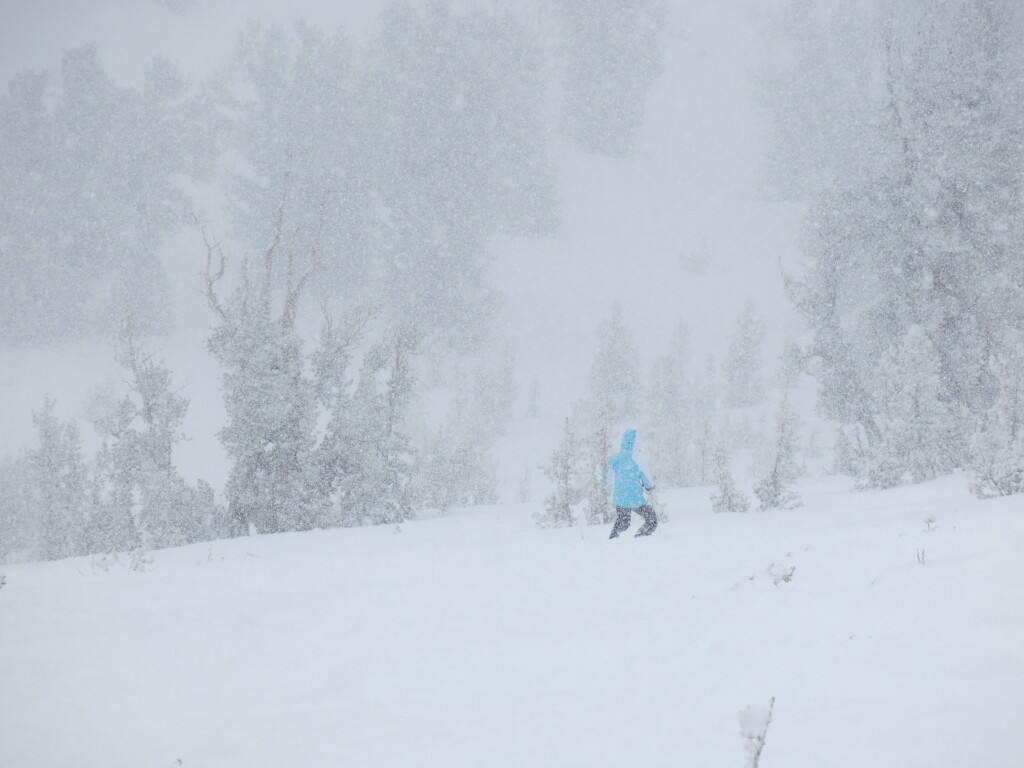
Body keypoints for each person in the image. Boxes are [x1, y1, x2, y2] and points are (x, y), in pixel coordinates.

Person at [607, 429, 658, 538]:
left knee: (623, 523)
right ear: (636, 444)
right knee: (651, 519)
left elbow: (607, 478)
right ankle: (640, 537)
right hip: (635, 498)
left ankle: (612, 540)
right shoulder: (638, 460)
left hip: (620, 498)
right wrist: (650, 487)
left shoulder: (615, 459)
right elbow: (647, 481)